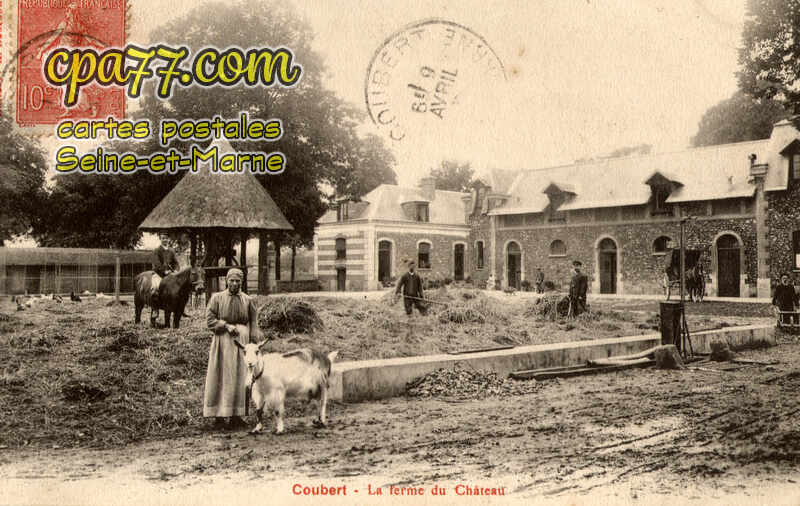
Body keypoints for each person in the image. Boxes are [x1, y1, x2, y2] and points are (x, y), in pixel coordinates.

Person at [204, 268, 261, 429]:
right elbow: (209, 320)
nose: (234, 283)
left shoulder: (248, 300)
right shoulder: (217, 298)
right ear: (226, 281)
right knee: (222, 375)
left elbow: (254, 323)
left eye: (238, 281)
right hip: (223, 342)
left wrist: (253, 344)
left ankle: (237, 416)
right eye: (232, 280)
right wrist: (226, 326)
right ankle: (219, 417)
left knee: (240, 377)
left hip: (242, 344)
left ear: (241, 282)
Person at [151, 234, 179, 308]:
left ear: (168, 239)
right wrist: (164, 271)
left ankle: (178, 307)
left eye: (166, 238)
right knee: (155, 288)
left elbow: (176, 263)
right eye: (163, 238)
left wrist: (176, 270)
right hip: (158, 274)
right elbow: (157, 263)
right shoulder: (157, 250)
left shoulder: (171, 251)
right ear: (160, 239)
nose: (165, 240)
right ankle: (155, 309)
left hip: (170, 274)